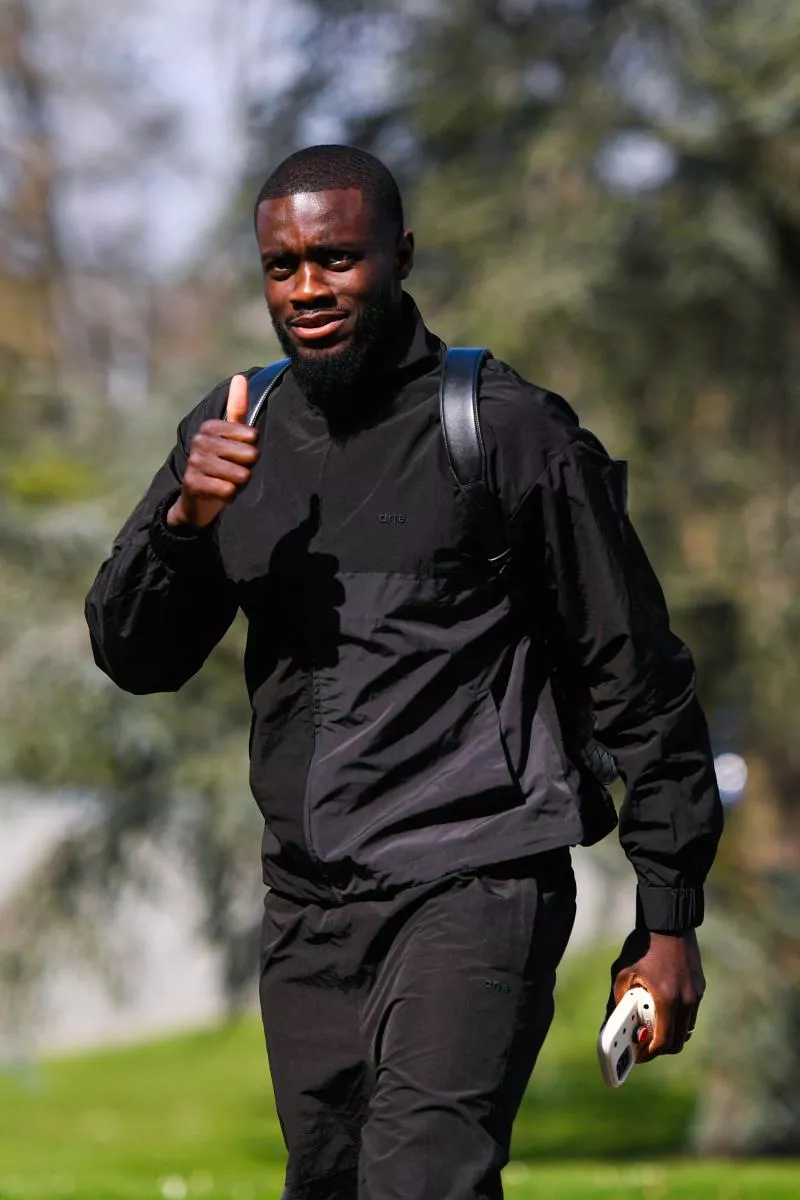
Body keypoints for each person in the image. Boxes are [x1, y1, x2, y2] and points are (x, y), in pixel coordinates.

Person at [85, 144, 723, 1200]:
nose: (307, 290)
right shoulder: (233, 429)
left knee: (421, 1180)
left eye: (336, 259)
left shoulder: (506, 432)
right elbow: (133, 657)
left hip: (475, 878)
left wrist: (667, 916)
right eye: (281, 267)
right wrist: (183, 524)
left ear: (400, 254)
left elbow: (636, 673)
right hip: (308, 902)